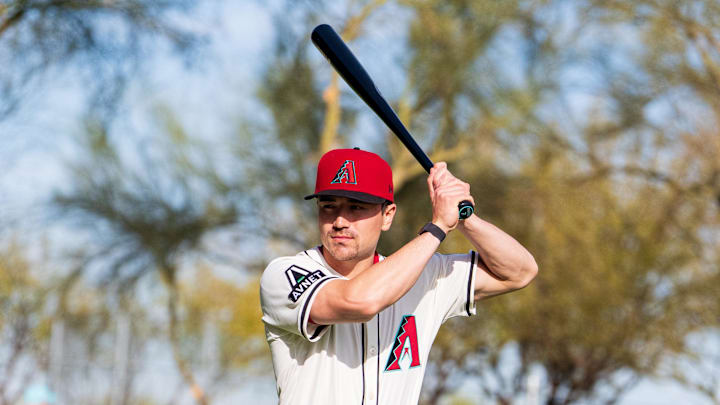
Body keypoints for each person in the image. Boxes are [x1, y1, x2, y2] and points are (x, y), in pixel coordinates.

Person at [260, 148, 538, 405]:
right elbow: (361, 301)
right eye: (329, 205)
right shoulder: (285, 275)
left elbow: (519, 271)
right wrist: (439, 225)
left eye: (357, 207)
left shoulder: (427, 274)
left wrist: (464, 215)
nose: (340, 220)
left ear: (387, 215)